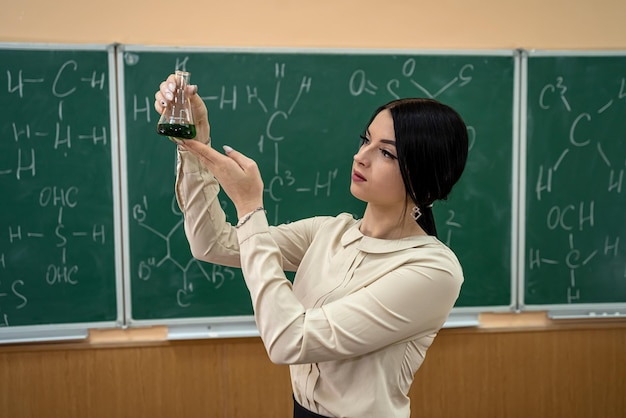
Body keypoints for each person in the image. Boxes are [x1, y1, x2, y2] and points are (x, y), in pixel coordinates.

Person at [154, 73, 469, 418]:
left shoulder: (432, 270)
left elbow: (290, 340)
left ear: (425, 171)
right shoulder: (328, 232)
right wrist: (195, 142)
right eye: (365, 140)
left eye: (386, 153)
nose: (360, 157)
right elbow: (211, 243)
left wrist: (249, 208)